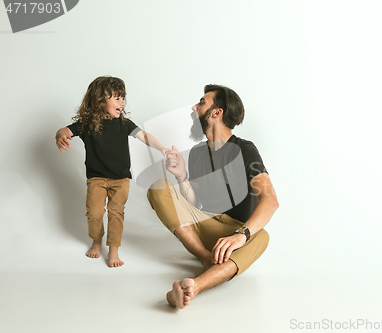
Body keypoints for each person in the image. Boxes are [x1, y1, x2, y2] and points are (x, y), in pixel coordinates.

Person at [147, 84, 279, 309]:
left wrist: (241, 235)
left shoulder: (245, 150)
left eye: (201, 103)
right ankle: (206, 258)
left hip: (234, 231)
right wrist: (182, 177)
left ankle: (194, 286)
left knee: (263, 236)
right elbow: (195, 203)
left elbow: (271, 200)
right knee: (158, 187)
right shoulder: (198, 152)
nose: (194, 107)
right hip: (205, 225)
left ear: (217, 113)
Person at [55, 76, 169, 267]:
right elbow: (64, 130)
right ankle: (96, 241)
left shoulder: (125, 124)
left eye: (123, 97)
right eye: (116, 98)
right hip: (96, 179)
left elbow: (145, 136)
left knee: (116, 213)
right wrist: (60, 136)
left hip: (121, 179)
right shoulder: (87, 125)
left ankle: (114, 249)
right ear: (99, 100)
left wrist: (162, 148)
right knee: (95, 212)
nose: (122, 102)